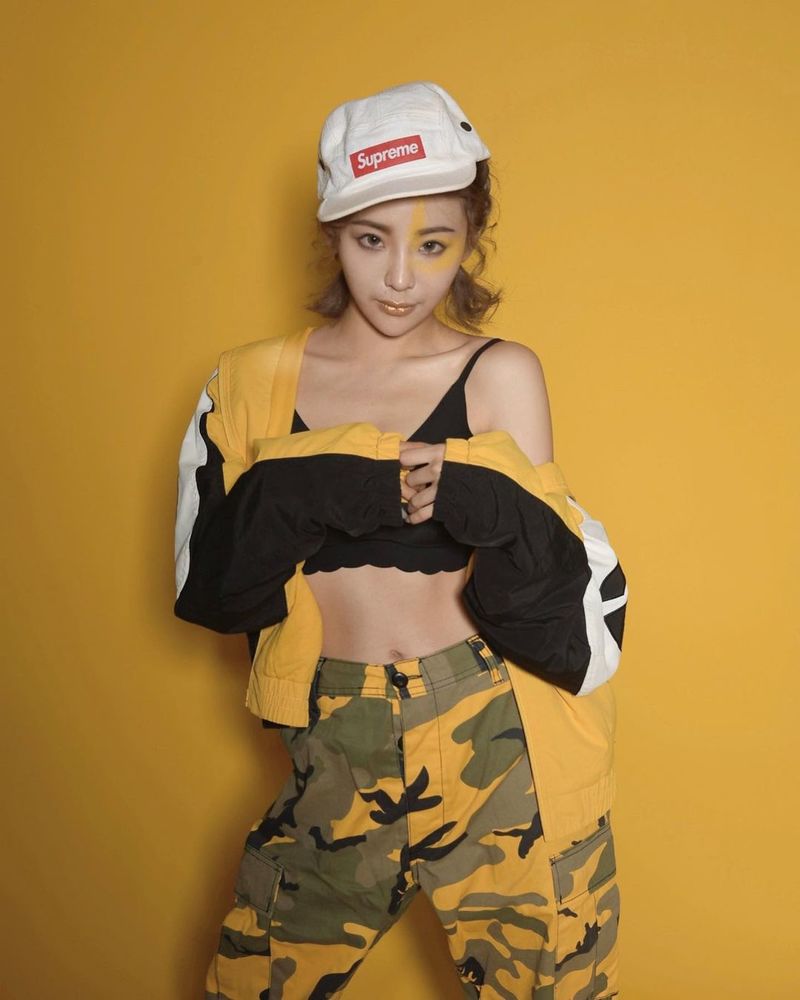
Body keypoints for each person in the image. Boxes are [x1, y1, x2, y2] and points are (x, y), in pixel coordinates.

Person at [174, 80, 627, 1000]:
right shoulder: (248, 384)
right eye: (371, 239)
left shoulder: (500, 373)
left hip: (497, 731)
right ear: (331, 231)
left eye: (433, 244)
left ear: (470, 239)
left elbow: (546, 602)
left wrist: (481, 498)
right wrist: (313, 483)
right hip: (332, 736)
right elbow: (212, 590)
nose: (399, 279)